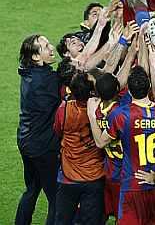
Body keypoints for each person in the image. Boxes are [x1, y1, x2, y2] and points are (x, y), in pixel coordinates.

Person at [88, 65, 155, 225]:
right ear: (149, 88)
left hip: (133, 183)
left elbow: (100, 142)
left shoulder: (121, 115)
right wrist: (152, 63)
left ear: (129, 91)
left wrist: (92, 115)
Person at [15, 35, 61, 225]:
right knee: (56, 198)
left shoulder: (28, 73)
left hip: (26, 141)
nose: (51, 47)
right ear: (35, 57)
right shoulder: (45, 80)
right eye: (45, 46)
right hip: (43, 147)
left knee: (32, 189)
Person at [53, 72, 106, 225]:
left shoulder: (64, 109)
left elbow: (57, 131)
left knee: (62, 221)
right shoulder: (101, 110)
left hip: (68, 177)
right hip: (94, 176)